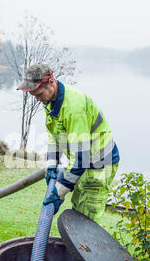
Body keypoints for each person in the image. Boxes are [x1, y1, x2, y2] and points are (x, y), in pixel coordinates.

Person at [17, 64, 120, 224]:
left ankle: (86, 248)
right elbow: (55, 135)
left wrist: (59, 191)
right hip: (85, 160)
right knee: (79, 204)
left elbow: (81, 158)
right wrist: (52, 164)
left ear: (51, 82)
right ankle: (75, 248)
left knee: (86, 219)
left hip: (99, 164)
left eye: (39, 94)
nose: (37, 99)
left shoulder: (73, 109)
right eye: (34, 95)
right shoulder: (51, 101)